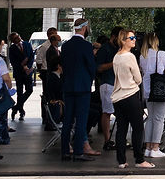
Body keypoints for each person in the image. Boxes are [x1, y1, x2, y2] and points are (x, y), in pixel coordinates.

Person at [58, 20, 97, 160]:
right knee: (81, 120)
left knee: (68, 120)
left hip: (68, 86)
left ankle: (64, 151)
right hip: (82, 87)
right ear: (84, 28)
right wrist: (90, 78)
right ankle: (78, 151)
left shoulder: (66, 46)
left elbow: (62, 64)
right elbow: (91, 66)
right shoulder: (86, 46)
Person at [108, 28, 147, 168]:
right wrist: (135, 82)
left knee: (121, 128)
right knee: (137, 127)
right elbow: (138, 77)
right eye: (131, 38)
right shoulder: (129, 56)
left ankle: (121, 160)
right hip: (130, 93)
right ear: (123, 41)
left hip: (118, 96)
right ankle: (139, 159)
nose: (134, 40)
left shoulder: (116, 56)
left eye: (134, 37)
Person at [140, 31, 165, 160]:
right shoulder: (161, 54)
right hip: (160, 90)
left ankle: (147, 147)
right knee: (159, 119)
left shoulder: (142, 55)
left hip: (147, 90)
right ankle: (155, 148)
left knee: (151, 118)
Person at [93, 29, 118, 151]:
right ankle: (107, 140)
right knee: (107, 112)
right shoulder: (105, 49)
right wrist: (114, 63)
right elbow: (99, 68)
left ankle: (117, 138)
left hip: (118, 84)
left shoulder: (118, 49)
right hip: (107, 83)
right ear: (113, 36)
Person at [37, 26, 64, 130]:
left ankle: (51, 119)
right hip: (49, 73)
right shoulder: (48, 49)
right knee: (49, 97)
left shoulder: (55, 49)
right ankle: (49, 120)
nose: (59, 42)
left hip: (52, 73)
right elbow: (41, 61)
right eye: (58, 40)